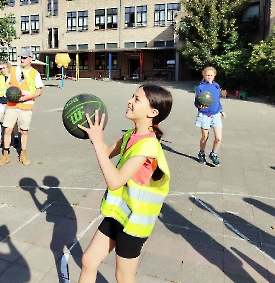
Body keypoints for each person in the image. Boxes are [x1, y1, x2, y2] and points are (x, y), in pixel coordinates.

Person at [77, 84, 173, 283]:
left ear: (153, 112)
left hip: (135, 223)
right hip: (119, 213)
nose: (130, 101)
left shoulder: (148, 145)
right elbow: (105, 152)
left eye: (137, 99)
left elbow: (115, 181)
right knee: (88, 260)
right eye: (132, 97)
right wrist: (95, 135)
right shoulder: (131, 135)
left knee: (124, 278)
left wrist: (96, 142)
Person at [0, 49, 43, 166]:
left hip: (26, 106)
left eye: (25, 57)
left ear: (30, 59)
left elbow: (39, 91)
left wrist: (28, 97)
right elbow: (8, 84)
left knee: (24, 131)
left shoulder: (35, 73)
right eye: (21, 57)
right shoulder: (13, 70)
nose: (22, 59)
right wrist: (9, 91)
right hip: (12, 105)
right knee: (7, 130)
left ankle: (23, 154)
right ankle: (6, 155)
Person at [194, 66, 226, 166]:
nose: (209, 77)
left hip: (216, 114)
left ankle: (213, 154)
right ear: (204, 75)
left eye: (211, 75)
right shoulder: (200, 87)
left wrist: (221, 110)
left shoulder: (216, 86)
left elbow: (217, 100)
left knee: (218, 138)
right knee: (205, 137)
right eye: (207, 75)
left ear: (214, 76)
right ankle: (201, 153)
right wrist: (199, 106)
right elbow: (196, 101)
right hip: (204, 115)